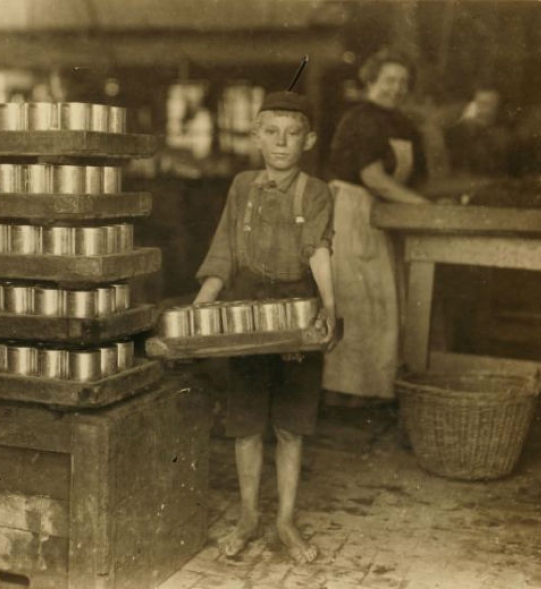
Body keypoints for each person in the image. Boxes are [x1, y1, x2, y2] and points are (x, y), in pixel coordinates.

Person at [194, 91, 337, 564]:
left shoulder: (316, 192)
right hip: (248, 313)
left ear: (308, 140)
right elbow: (224, 250)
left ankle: (285, 522)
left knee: (292, 427)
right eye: (271, 132)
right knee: (246, 425)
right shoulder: (241, 187)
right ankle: (249, 518)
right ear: (256, 136)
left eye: (292, 134)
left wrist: (329, 307)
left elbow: (318, 251)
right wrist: (201, 307)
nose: (281, 142)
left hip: (298, 313)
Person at [323, 49, 432, 407]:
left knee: (384, 304)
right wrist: (421, 206)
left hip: (388, 214)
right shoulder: (359, 120)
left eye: (403, 82)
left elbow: (417, 179)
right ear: (371, 80)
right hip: (353, 213)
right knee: (357, 302)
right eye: (389, 80)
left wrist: (422, 200)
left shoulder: (405, 125)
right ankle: (342, 393)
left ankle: (373, 392)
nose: (396, 88)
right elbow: (373, 177)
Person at [445, 85, 513, 178]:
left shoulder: (504, 136)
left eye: (487, 104)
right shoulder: (459, 132)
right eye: (478, 104)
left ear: (497, 107)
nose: (480, 109)